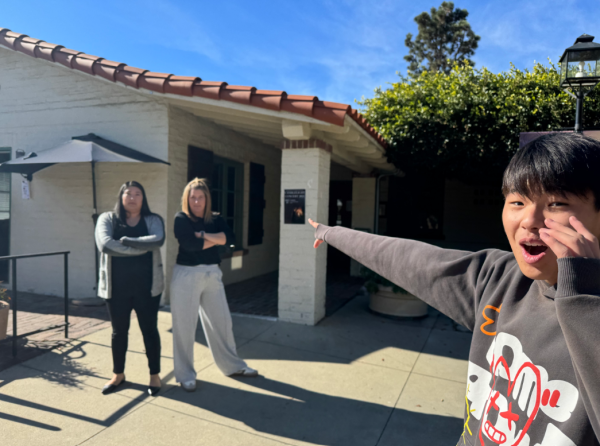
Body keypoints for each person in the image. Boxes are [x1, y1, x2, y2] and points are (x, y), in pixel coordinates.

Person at [310, 133, 600, 445]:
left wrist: (583, 293)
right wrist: (332, 233)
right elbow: (410, 259)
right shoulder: (498, 278)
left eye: (556, 203)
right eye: (517, 202)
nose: (529, 220)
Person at [170, 178, 257, 393]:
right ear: (186, 200)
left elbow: (231, 238)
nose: (197, 202)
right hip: (187, 275)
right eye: (193, 198)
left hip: (212, 274)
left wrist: (202, 235)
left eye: (200, 197)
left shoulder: (215, 219)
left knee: (222, 322)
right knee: (184, 327)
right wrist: (215, 239)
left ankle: (232, 366)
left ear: (207, 199)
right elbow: (190, 245)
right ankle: (185, 375)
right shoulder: (181, 218)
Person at [95, 181, 165, 396]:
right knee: (118, 332)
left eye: (137, 193)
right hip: (116, 289)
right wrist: (139, 247)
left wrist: (125, 241)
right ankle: (118, 374)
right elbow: (105, 245)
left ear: (143, 198)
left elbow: (157, 240)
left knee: (149, 331)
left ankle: (154, 375)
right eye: (128, 193)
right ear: (121, 196)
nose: (132, 197)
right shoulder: (107, 218)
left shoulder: (153, 220)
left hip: (147, 288)